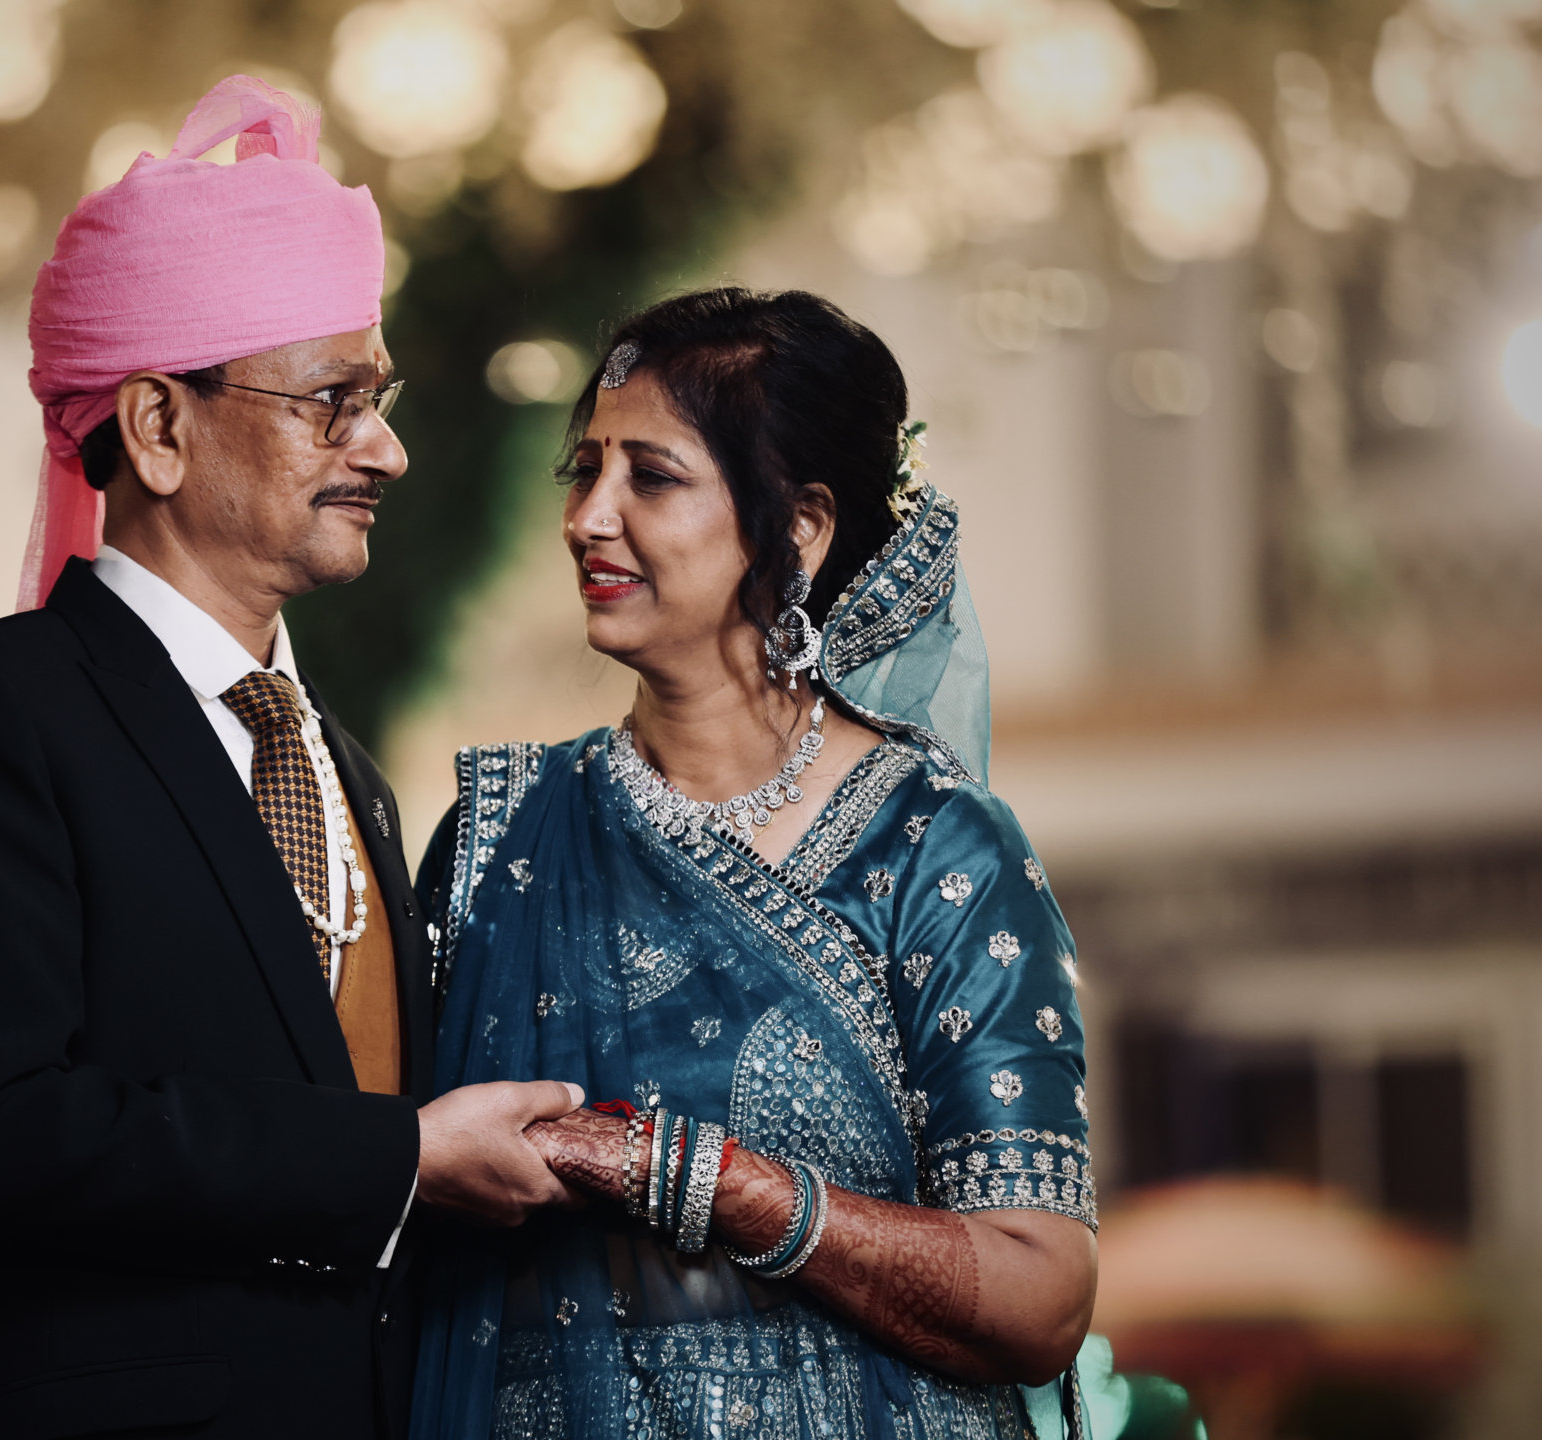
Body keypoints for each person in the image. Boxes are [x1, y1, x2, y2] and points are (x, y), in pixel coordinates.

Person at [0, 76, 580, 1440]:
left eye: (383, 397)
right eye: (332, 401)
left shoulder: (345, 769)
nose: (389, 450)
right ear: (161, 427)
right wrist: (402, 1158)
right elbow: (2, 1136)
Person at [411, 289, 1098, 1440]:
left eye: (652, 477)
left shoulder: (936, 847)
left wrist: (706, 1181)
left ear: (801, 525)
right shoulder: (500, 839)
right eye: (584, 471)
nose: (589, 516)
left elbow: (1039, 1292)